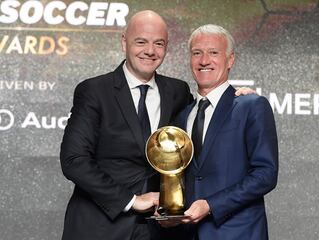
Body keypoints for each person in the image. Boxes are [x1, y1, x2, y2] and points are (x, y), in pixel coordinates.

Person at [60, 11, 254, 240]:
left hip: (161, 231)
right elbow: (74, 160)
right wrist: (132, 201)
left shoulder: (178, 92)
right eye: (140, 42)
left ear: (167, 47)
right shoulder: (94, 91)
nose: (150, 51)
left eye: (158, 43)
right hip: (100, 228)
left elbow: (204, 135)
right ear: (124, 41)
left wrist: (235, 100)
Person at [172, 24, 279, 240]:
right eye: (197, 53)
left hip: (238, 233)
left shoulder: (251, 105)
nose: (204, 60)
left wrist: (211, 205)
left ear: (230, 60)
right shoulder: (182, 116)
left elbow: (265, 174)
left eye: (213, 52)